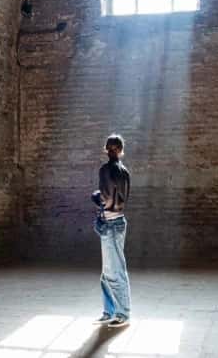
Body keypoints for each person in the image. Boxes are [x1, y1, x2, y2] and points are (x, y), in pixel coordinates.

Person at [92, 134, 131, 328]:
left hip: (111, 224)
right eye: (111, 148)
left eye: (111, 148)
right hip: (117, 222)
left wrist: (97, 198)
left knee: (115, 271)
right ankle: (109, 311)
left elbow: (107, 200)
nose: (110, 151)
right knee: (108, 271)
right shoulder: (125, 171)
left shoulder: (105, 170)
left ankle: (122, 313)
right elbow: (121, 199)